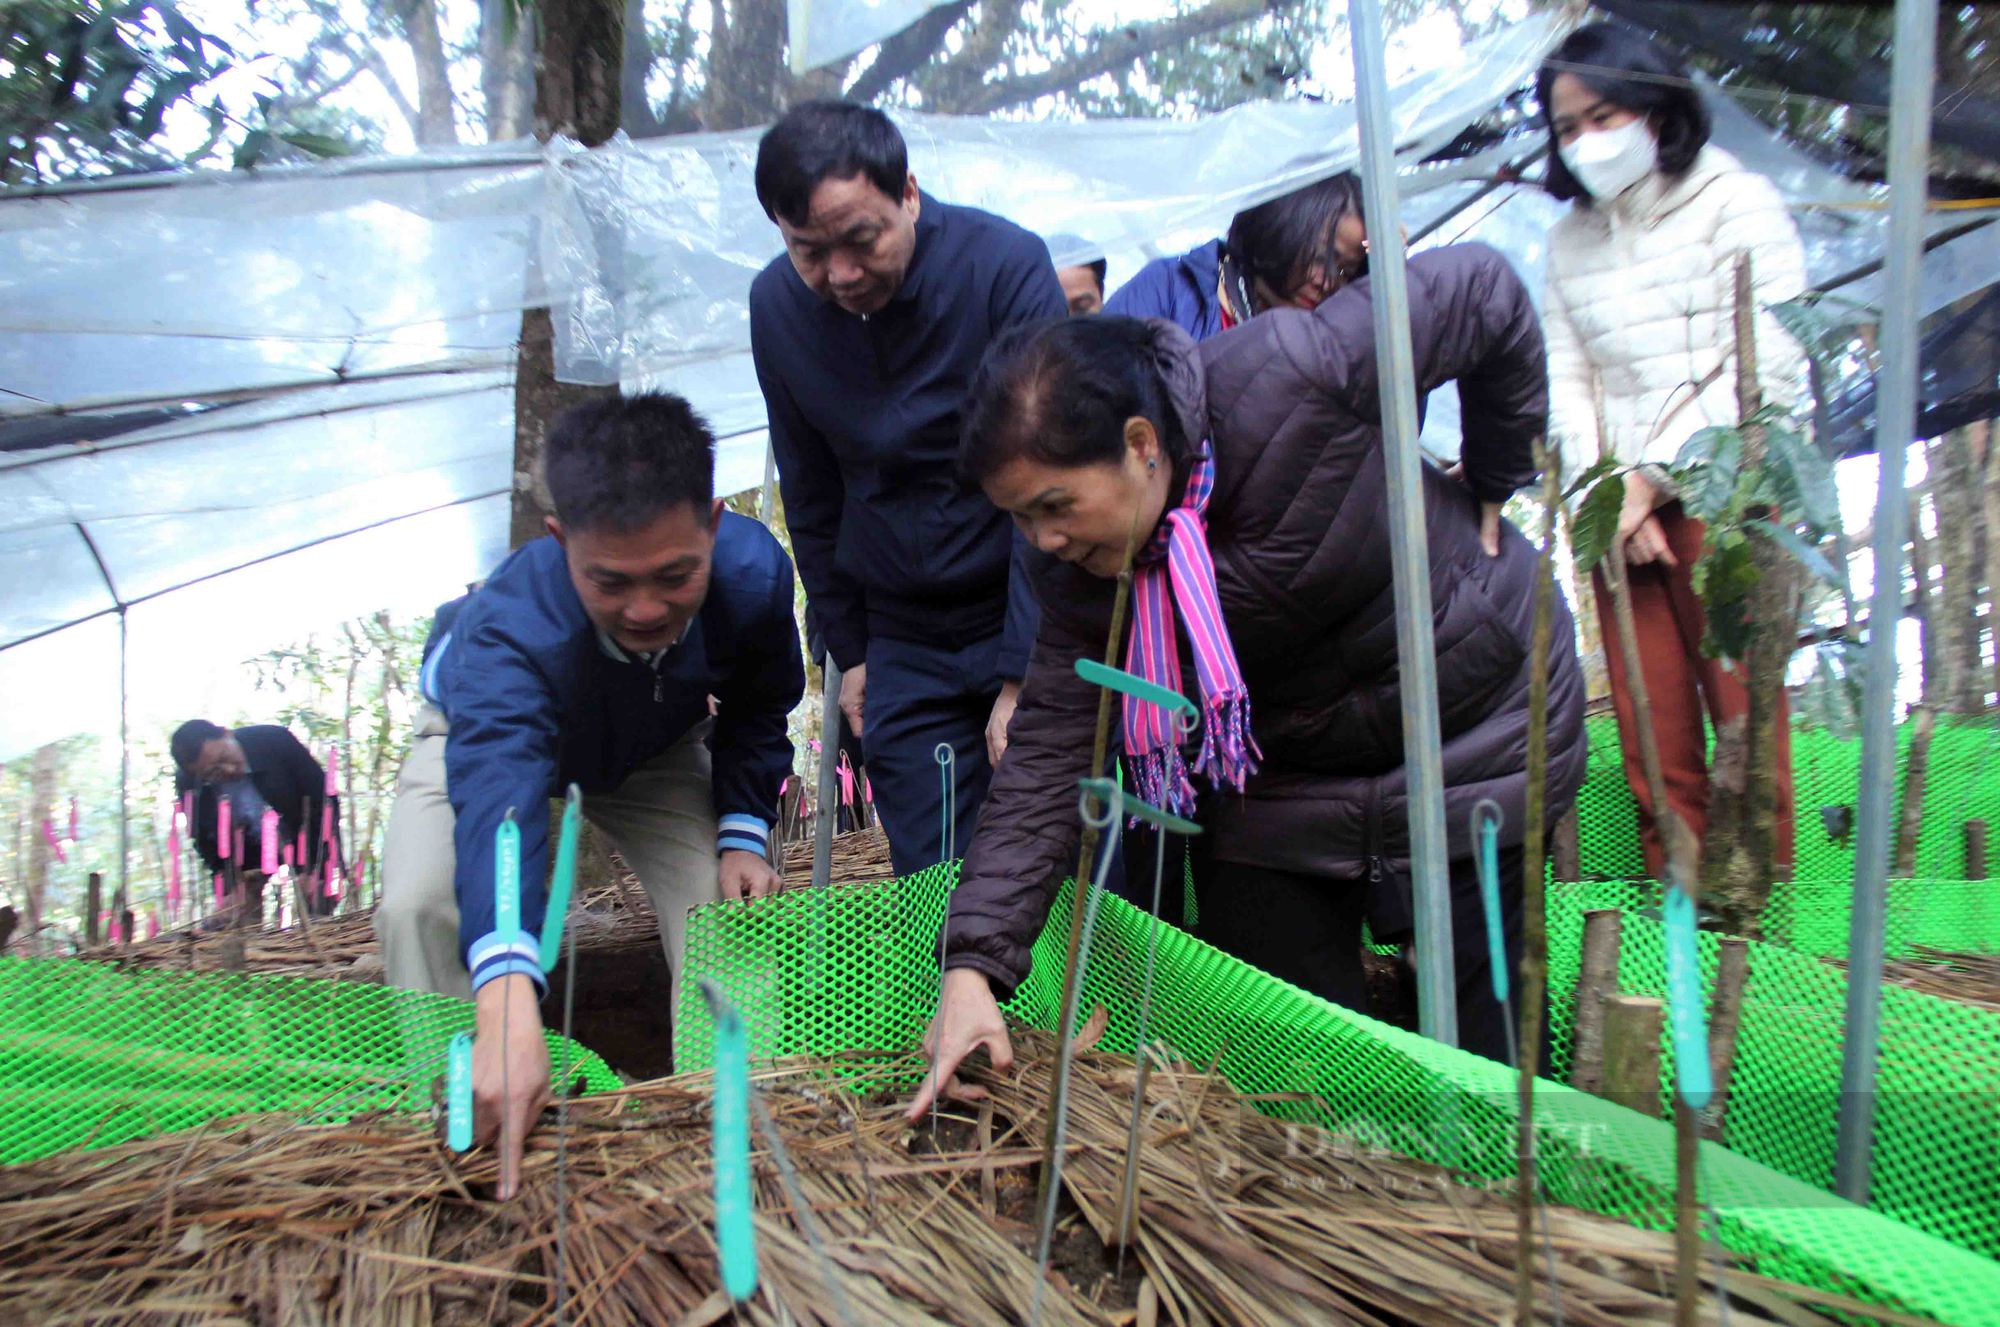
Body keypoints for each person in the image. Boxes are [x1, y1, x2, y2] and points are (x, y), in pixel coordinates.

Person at [909, 243, 1588, 1115]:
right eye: (1019, 518)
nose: (1042, 540)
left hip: (1465, 730)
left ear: (1140, 445)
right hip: (1275, 773)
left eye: (1054, 505)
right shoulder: (1082, 573)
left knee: (1489, 1063)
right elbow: (1047, 753)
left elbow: (1481, 289)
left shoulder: (1290, 372)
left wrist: (1498, 473)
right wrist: (973, 967)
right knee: (1292, 1076)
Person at [375, 392, 803, 1198]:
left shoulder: (752, 577)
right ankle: (461, 1118)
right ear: (560, 540)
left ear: (713, 522)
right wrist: (505, 998)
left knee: (724, 911)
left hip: (651, 747)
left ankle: (733, 1129)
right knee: (418, 904)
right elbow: (501, 793)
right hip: (477, 741)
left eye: (675, 576)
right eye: (610, 581)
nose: (646, 608)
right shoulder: (509, 623)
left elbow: (757, 704)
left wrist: (744, 828)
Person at [748, 100, 1067, 878]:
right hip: (902, 638)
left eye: (862, 241)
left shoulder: (1004, 269)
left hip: (1024, 604)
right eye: (809, 252)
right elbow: (813, 494)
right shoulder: (778, 310)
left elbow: (1060, 482)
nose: (841, 275)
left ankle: (1100, 1007)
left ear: (910, 194)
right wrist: (851, 652)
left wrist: (1026, 668)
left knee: (1059, 860)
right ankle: (960, 1004)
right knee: (936, 876)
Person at [1539, 21, 1803, 880]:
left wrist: (1660, 481)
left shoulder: (1739, 202)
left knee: (1747, 731)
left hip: (1729, 509)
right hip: (1619, 520)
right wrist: (1612, 499)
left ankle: (1765, 955)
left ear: (1655, 104)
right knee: (1656, 751)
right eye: (1567, 129)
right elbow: (1568, 386)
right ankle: (1681, 944)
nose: (1585, 142)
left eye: (1601, 115)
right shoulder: (1568, 243)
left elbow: (1769, 366)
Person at [1103, 172, 1368, 337]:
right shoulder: (1171, 287)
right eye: (1320, 258)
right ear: (1282, 226)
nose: (1327, 282)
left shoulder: (1326, 345)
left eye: (1345, 271)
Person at [171, 719, 341, 919]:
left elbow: (324, 801)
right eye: (213, 773)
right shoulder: (189, 785)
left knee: (318, 904)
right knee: (236, 917)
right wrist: (231, 887)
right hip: (250, 855)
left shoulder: (275, 741)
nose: (228, 769)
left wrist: (316, 866)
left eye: (224, 757)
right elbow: (205, 841)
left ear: (227, 734)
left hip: (304, 835)